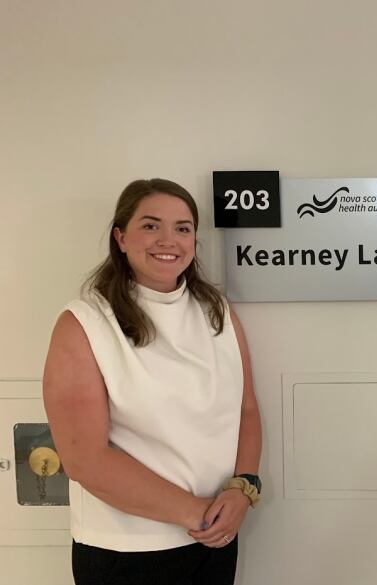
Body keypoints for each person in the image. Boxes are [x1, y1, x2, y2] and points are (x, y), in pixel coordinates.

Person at [42, 178, 262, 585]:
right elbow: (85, 460)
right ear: (120, 237)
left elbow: (246, 410)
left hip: (213, 540)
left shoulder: (217, 312)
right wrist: (201, 513)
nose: (169, 240)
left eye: (183, 228)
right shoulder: (84, 323)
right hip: (126, 552)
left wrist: (244, 488)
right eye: (150, 225)